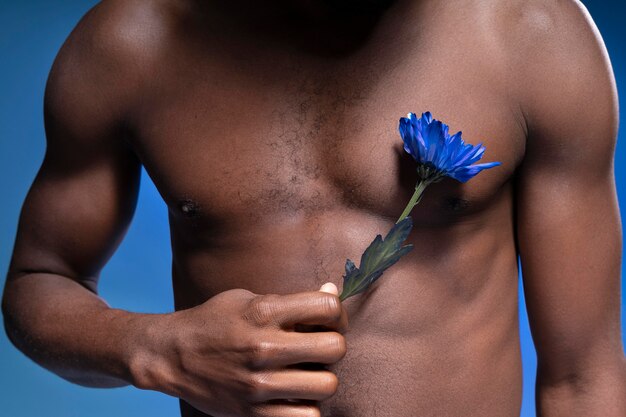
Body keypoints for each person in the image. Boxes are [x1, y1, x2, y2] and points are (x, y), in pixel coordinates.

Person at [3, 0, 625, 416]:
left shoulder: (532, 34)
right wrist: (155, 347)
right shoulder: (129, 44)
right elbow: (37, 283)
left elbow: (583, 375)